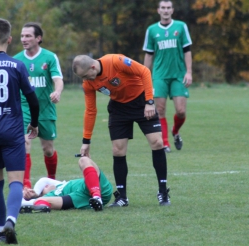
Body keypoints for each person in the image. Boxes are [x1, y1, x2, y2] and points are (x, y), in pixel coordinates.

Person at [72, 54, 171, 207]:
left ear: (93, 67)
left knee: (157, 142)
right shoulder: (88, 83)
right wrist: (86, 141)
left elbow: (144, 71)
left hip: (141, 101)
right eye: (82, 78)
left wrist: (149, 102)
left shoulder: (115, 61)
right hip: (119, 108)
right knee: (118, 150)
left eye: (86, 76)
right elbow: (90, 111)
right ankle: (122, 197)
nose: (86, 80)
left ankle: (163, 193)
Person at [0, 18, 39, 244]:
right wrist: (35, 122)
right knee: (16, 182)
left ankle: (2, 230)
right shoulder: (17, 65)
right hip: (12, 132)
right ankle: (11, 220)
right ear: (10, 39)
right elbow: (32, 98)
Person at [14, 22, 64, 188]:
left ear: (38, 38)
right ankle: (26, 186)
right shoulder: (16, 60)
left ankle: (52, 181)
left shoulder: (49, 57)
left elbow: (58, 79)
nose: (24, 39)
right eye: (22, 36)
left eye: (28, 36)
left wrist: (57, 92)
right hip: (24, 108)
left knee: (48, 149)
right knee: (24, 143)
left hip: (45, 109)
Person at [143, 0, 193, 153]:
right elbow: (149, 55)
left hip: (178, 75)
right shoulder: (152, 30)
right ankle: (165, 143)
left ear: (172, 10)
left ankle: (175, 132)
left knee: (181, 111)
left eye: (168, 8)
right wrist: (145, 77)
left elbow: (187, 51)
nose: (166, 10)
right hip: (159, 76)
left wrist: (189, 72)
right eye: (163, 8)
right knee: (160, 109)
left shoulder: (181, 26)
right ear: (158, 10)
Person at [20, 156, 113, 212]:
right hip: (79, 197)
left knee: (84, 160)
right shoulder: (49, 196)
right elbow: (22, 203)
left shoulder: (60, 184)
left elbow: (43, 180)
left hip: (95, 184)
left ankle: (97, 196)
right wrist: (29, 196)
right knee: (42, 201)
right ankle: (97, 199)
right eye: (44, 188)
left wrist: (36, 192)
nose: (47, 186)